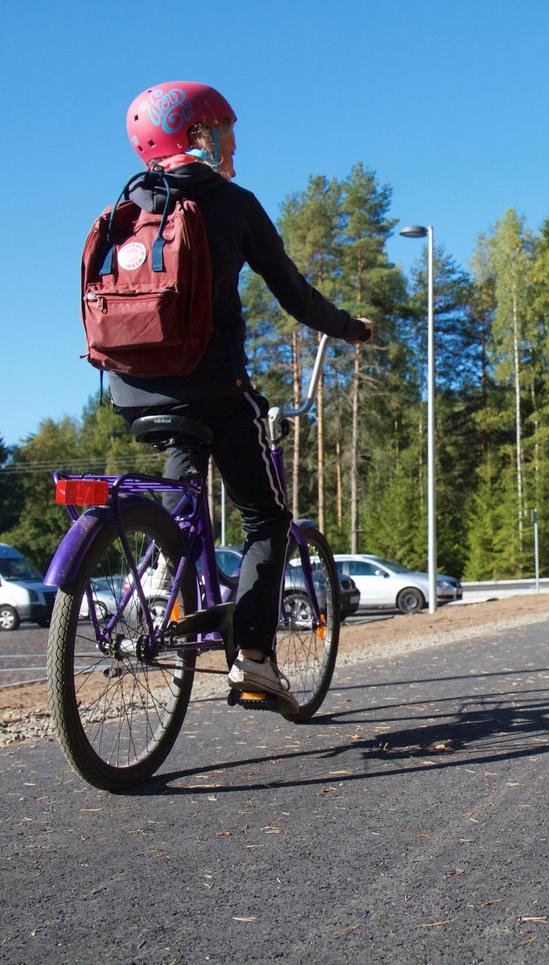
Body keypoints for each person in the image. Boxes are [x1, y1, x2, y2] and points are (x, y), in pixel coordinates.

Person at [112, 81, 373, 708]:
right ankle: (254, 660)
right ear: (200, 134)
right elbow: (294, 293)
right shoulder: (232, 203)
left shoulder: (130, 204)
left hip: (133, 391)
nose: (234, 144)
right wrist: (350, 328)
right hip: (216, 389)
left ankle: (156, 577)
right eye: (226, 131)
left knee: (181, 498)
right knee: (266, 518)